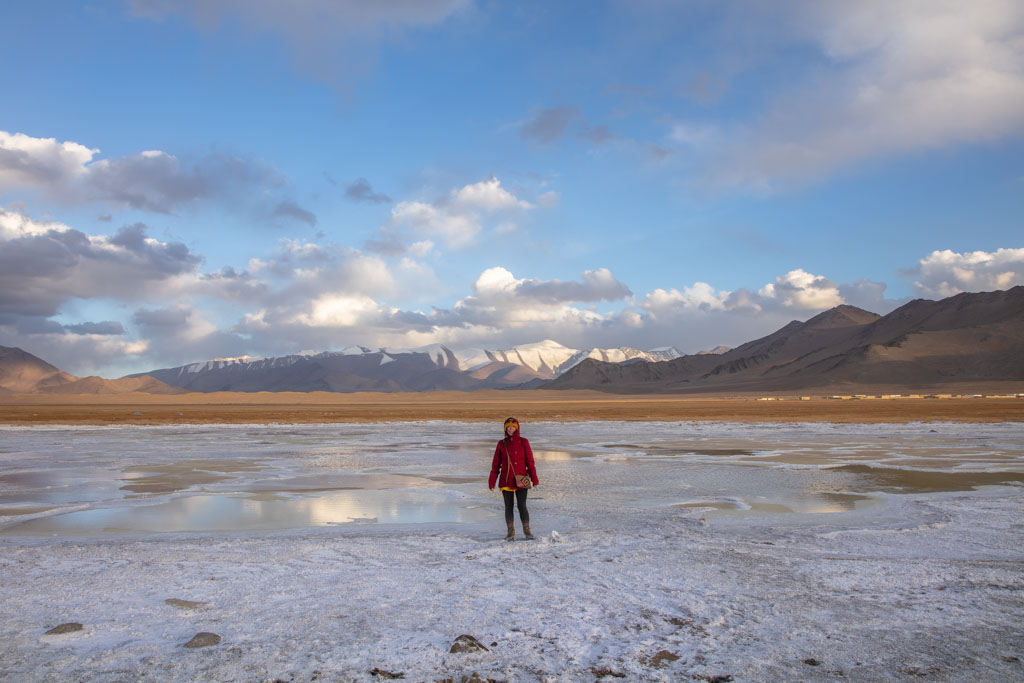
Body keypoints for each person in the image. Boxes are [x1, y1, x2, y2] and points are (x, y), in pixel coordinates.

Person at [488, 416, 539, 540]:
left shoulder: (524, 442)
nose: (510, 429)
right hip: (506, 480)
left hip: (521, 480)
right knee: (508, 506)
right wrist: (492, 481)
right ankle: (510, 533)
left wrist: (534, 479)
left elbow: (530, 462)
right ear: (505, 429)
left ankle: (527, 531)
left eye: (513, 427)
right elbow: (496, 464)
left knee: (522, 505)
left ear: (517, 428)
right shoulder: (501, 444)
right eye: (508, 427)